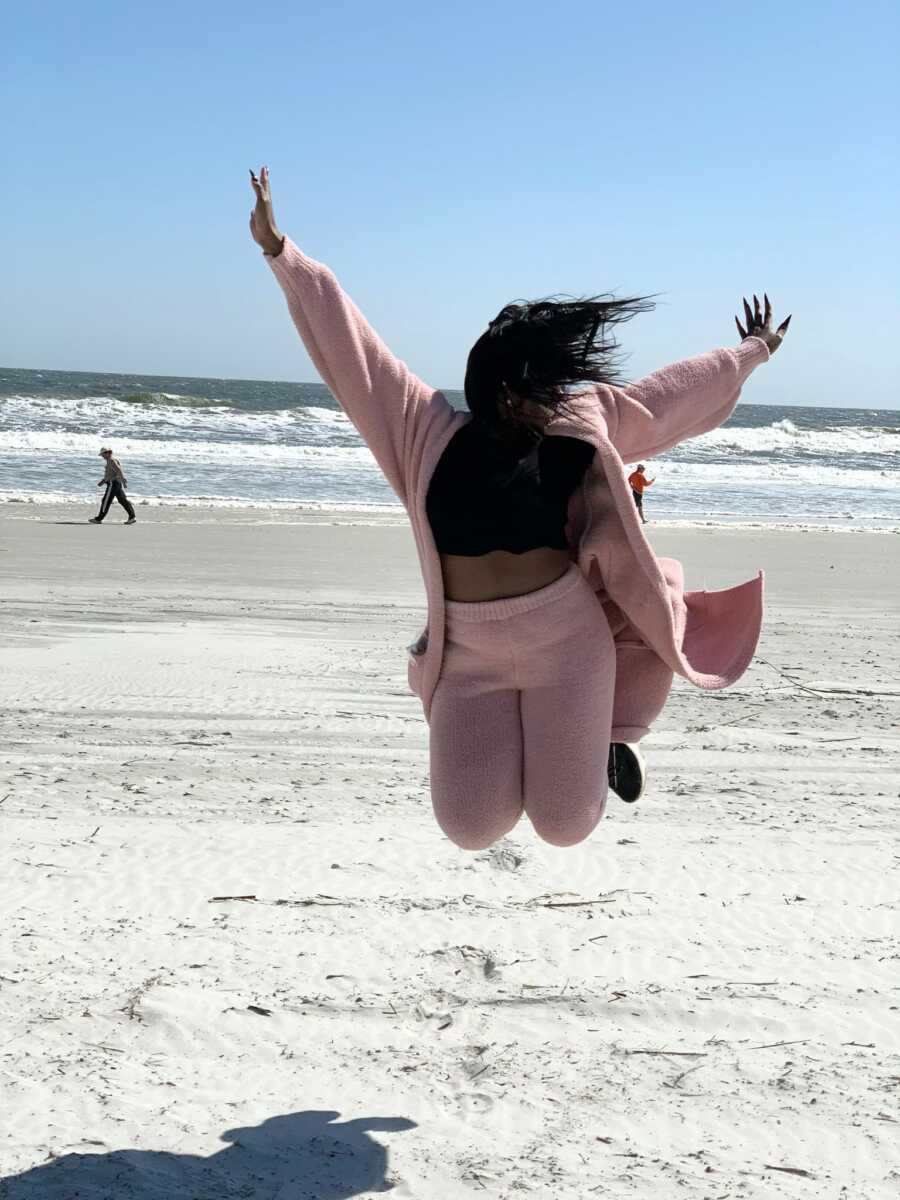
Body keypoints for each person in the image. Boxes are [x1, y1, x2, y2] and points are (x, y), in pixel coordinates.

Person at [249, 166, 790, 850]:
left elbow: (667, 397)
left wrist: (750, 352)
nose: (559, 395)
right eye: (546, 383)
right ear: (504, 388)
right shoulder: (424, 431)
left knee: (564, 825)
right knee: (471, 826)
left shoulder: (575, 427)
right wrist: (282, 252)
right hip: (468, 654)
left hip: (567, 643)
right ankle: (588, 740)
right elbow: (353, 351)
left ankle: (606, 744)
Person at [89, 447, 136, 524]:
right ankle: (132, 517)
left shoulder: (111, 461)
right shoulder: (112, 460)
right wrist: (103, 481)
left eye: (103, 454)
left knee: (105, 501)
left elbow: (118, 470)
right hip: (116, 484)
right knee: (122, 500)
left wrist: (123, 480)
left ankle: (98, 519)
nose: (102, 456)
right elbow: (111, 473)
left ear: (108, 453)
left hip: (113, 484)